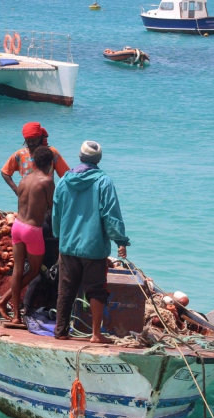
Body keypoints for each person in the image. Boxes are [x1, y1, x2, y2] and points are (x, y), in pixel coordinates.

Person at [52, 141, 129, 343]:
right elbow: (111, 215)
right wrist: (120, 240)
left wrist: (59, 236)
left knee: (66, 289)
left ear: (80, 157)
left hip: (68, 245)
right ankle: (96, 334)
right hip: (93, 247)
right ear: (99, 159)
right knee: (96, 289)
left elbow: (56, 212)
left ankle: (61, 331)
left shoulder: (64, 181)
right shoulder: (104, 182)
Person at [0, 146, 56, 324]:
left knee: (18, 271)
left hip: (17, 226)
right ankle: (3, 301)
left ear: (34, 162)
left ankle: (15, 316)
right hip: (32, 230)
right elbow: (53, 209)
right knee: (35, 270)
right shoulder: (47, 181)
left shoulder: (24, 180)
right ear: (51, 164)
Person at [1, 122, 69, 196]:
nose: (31, 144)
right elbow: (5, 172)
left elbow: (66, 175)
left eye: (33, 141)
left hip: (46, 196)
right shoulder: (20, 155)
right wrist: (16, 190)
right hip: (26, 197)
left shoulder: (51, 153)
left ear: (39, 138)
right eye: (28, 141)